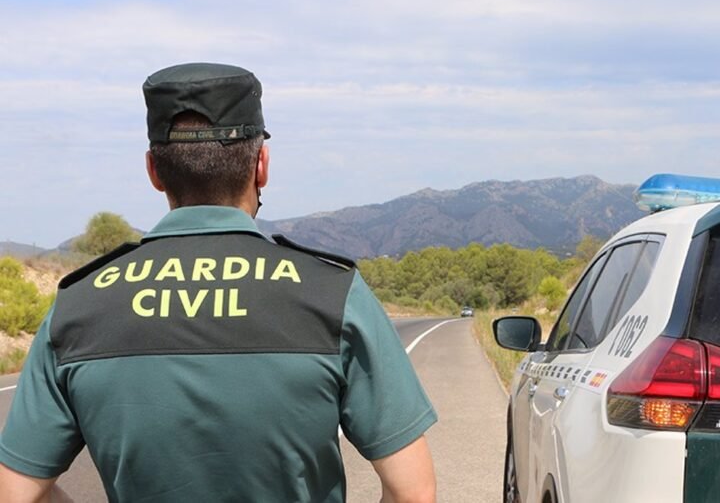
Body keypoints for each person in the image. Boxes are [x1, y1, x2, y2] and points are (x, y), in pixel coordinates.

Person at [0, 62, 437, 502]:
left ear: (154, 170)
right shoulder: (332, 292)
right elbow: (411, 492)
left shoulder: (79, 304)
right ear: (261, 165)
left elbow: (17, 492)